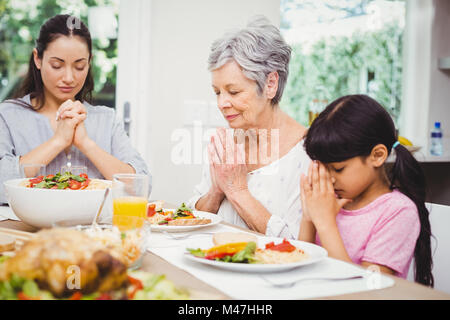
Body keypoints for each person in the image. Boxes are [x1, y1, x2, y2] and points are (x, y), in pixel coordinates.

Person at [0, 14, 150, 204]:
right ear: (38, 59)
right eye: (57, 65)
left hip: (93, 231)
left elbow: (141, 188)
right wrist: (58, 141)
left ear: (89, 62)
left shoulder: (106, 119)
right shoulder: (7, 115)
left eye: (79, 66)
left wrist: (86, 143)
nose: (69, 77)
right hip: (25, 232)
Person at [186, 16, 311, 239]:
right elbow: (191, 221)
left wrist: (236, 191)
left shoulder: (307, 152)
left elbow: (298, 246)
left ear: (270, 84)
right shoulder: (226, 143)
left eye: (233, 92)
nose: (221, 103)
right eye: (217, 92)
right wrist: (215, 192)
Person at [299, 94, 433, 286]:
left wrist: (325, 223)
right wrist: (308, 219)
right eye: (322, 167)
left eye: (338, 169)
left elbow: (365, 289)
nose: (328, 178)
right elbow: (302, 266)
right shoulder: (329, 201)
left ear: (377, 156)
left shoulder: (398, 212)